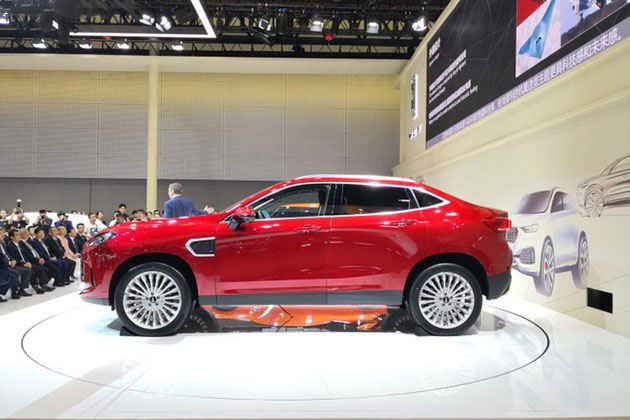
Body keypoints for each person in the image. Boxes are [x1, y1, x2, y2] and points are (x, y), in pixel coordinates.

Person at [6, 229, 50, 294]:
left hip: (24, 263)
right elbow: (14, 257)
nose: (19, 236)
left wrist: (27, 262)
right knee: (30, 270)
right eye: (17, 235)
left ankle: (42, 285)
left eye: (19, 234)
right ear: (12, 237)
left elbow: (24, 256)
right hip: (18, 264)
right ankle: (32, 288)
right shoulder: (9, 246)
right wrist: (23, 263)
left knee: (40, 269)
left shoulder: (19, 245)